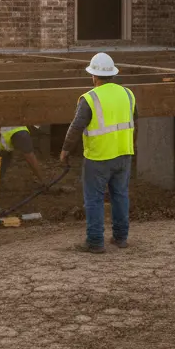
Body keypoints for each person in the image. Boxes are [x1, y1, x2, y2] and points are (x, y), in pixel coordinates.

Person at [59, 52, 136, 254]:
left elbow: (76, 127)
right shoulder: (128, 94)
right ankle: (121, 238)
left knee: (94, 199)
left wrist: (65, 150)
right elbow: (134, 122)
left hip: (99, 157)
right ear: (112, 74)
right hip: (124, 154)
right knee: (120, 195)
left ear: (93, 76)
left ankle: (95, 241)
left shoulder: (90, 98)